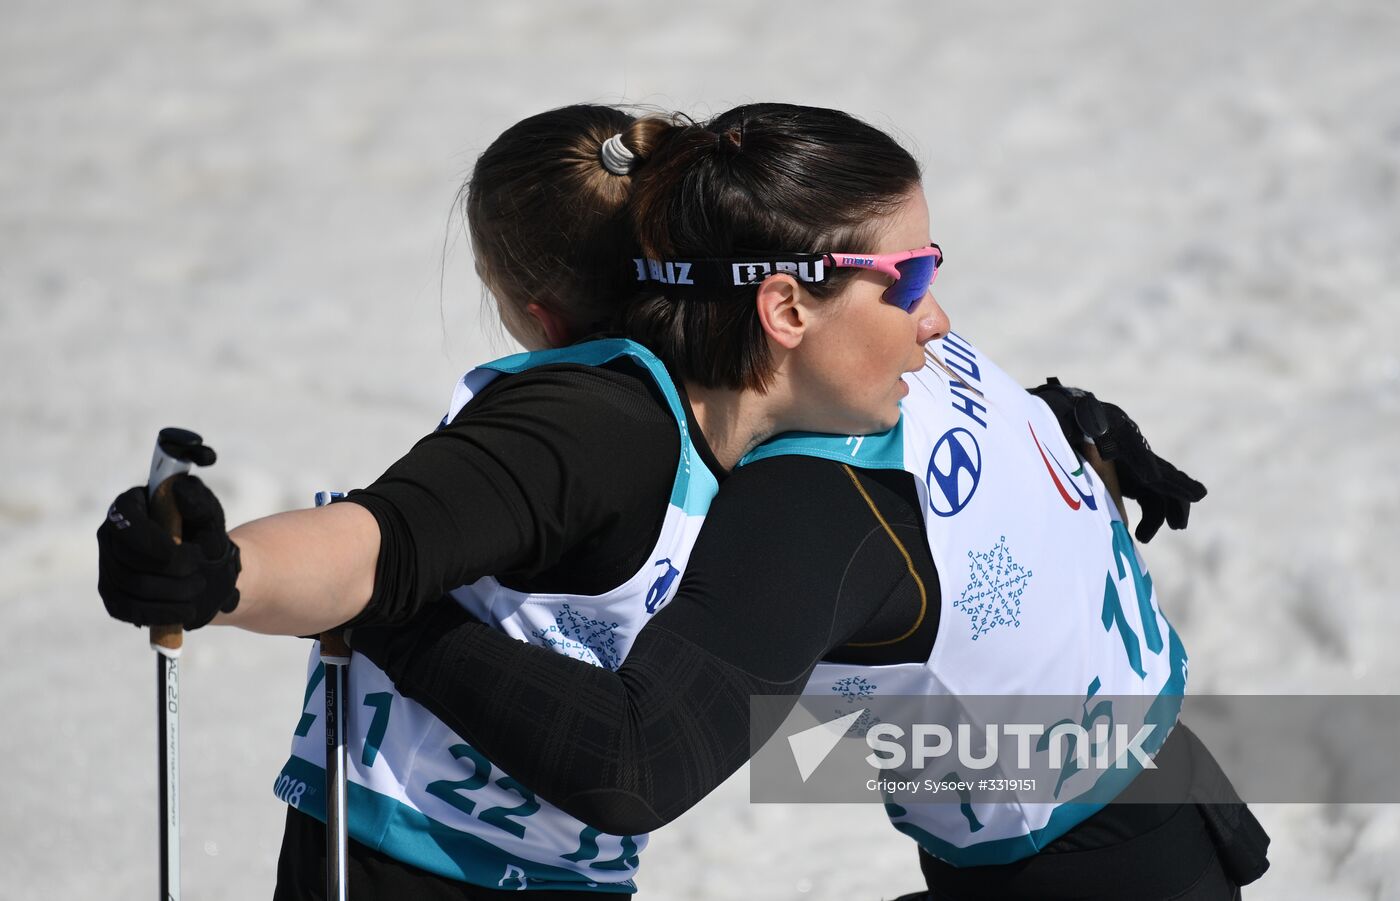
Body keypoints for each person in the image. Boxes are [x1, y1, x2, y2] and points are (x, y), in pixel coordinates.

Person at [95, 102, 1261, 900]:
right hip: (1126, 815)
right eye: (907, 279)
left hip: (1103, 849)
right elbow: (384, 536)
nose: (942, 320)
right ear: (783, 308)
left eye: (931, 268)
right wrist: (225, 570)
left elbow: (628, 762)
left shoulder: (853, 403)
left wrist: (1072, 427)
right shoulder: (789, 459)